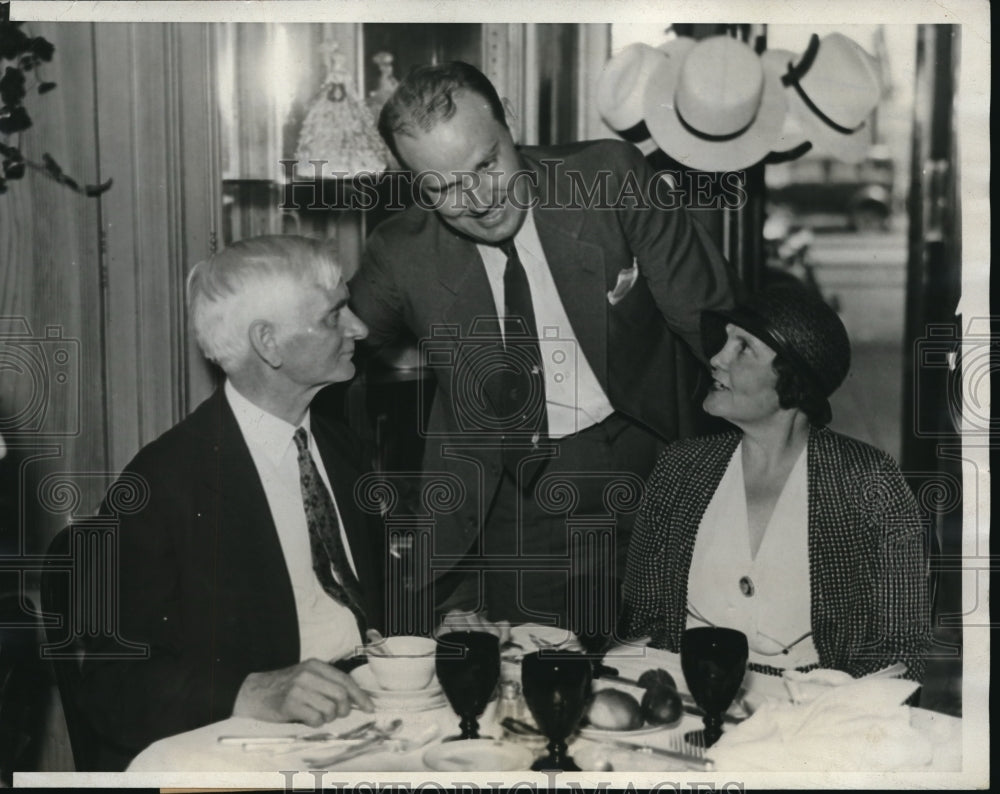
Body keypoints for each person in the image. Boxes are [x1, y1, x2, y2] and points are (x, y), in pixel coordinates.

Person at [350, 61, 738, 636]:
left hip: (653, 462)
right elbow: (329, 348)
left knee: (674, 665)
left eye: (486, 165)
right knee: (538, 683)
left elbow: (719, 335)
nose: (478, 200)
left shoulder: (611, 179)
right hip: (517, 496)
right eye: (443, 187)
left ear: (511, 124)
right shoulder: (400, 254)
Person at [79, 236, 384, 768]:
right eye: (336, 314)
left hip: (371, 717)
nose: (359, 328)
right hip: (259, 751)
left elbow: (375, 595)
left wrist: (442, 623)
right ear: (269, 343)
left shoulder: (341, 445)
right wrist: (248, 692)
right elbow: (113, 684)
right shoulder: (160, 484)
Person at [621, 284, 931, 682]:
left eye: (743, 348)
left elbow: (901, 650)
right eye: (724, 342)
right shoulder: (680, 469)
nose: (716, 358)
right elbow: (643, 620)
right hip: (688, 702)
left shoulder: (868, 483)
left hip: (814, 719)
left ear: (792, 379)